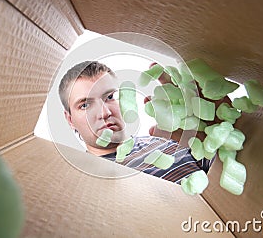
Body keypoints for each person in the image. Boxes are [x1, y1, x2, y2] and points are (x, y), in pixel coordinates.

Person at [58, 60, 214, 184]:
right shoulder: (81, 181)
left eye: (110, 97)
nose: (105, 113)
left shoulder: (170, 142)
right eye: (85, 105)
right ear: (70, 120)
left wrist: (212, 132)